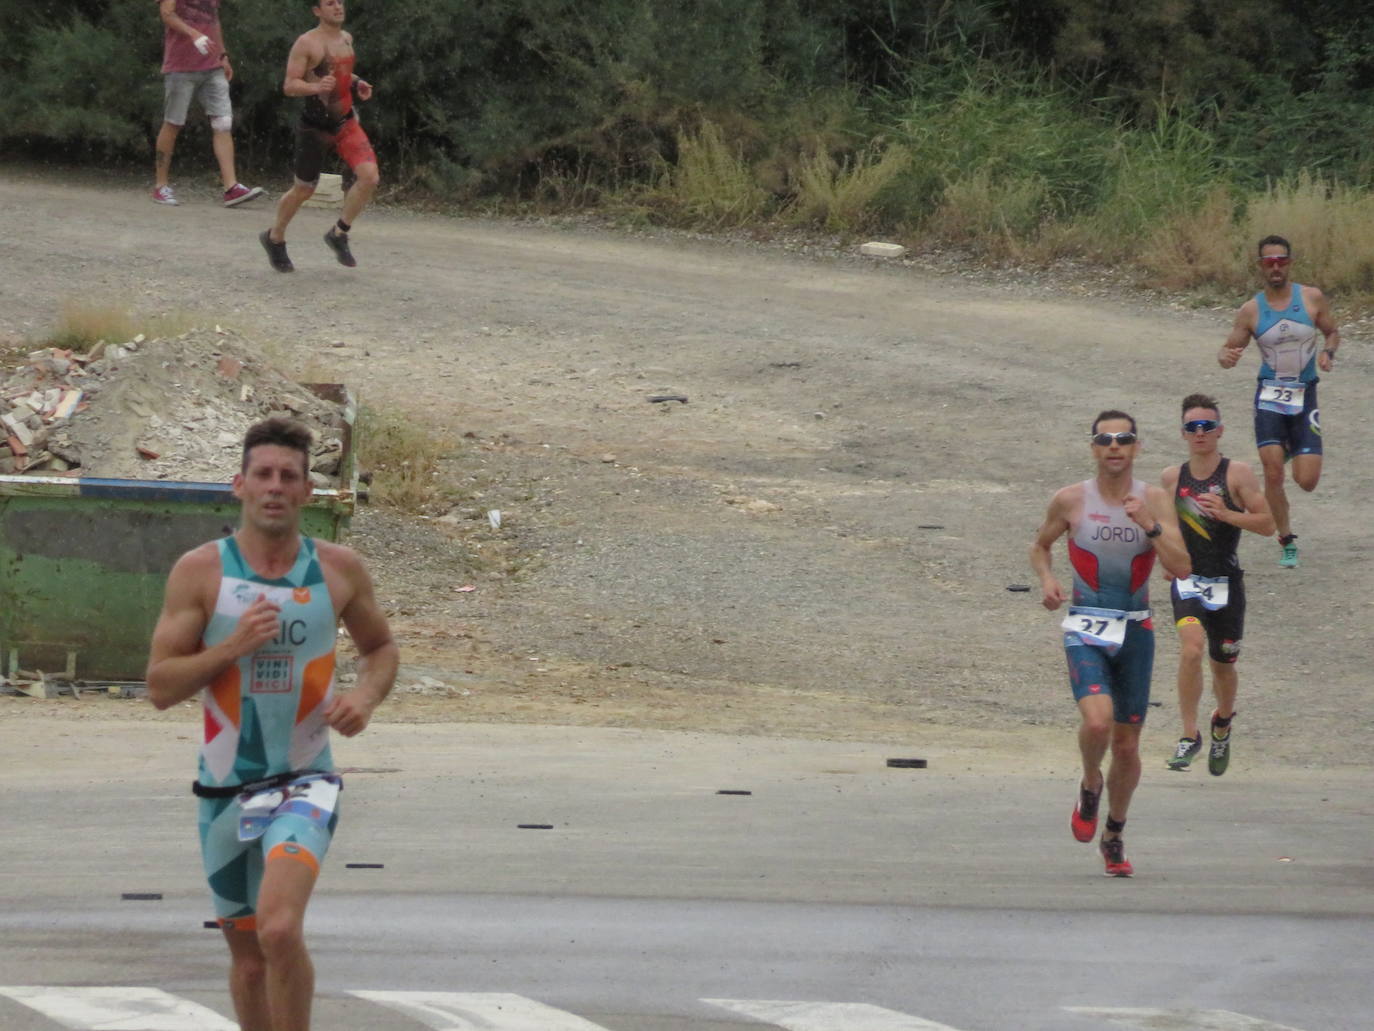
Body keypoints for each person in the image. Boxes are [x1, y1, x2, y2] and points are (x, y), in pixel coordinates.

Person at [146, 417, 398, 1031]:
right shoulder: (200, 572)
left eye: (290, 476)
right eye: (263, 474)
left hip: (305, 780)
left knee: (280, 929)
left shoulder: (339, 570)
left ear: (308, 492)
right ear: (239, 485)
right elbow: (160, 686)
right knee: (250, 958)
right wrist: (231, 648)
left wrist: (364, 698)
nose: (276, 487)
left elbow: (381, 648)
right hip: (224, 788)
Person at [1030, 411, 1190, 877]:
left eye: (1124, 439)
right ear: (1094, 447)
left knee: (1126, 745)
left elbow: (1182, 567)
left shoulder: (1155, 500)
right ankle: (1089, 782)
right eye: (1105, 439)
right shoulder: (1070, 499)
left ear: (1137, 447)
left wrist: (1152, 527)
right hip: (1086, 624)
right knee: (1097, 723)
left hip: (1136, 628)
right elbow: (1039, 545)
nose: (1115, 446)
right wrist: (1047, 579)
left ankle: (1114, 833)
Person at [1162, 395, 1274, 776]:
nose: (1200, 433)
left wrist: (1227, 514)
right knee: (1191, 650)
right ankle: (1189, 735)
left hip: (1227, 583)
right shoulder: (1171, 478)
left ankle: (1222, 722)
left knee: (1223, 664)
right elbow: (1166, 528)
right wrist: (1167, 558)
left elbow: (1267, 523)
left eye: (1207, 426)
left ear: (1220, 431)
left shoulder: (1236, 474)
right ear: (1182, 433)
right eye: (1192, 427)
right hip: (1188, 581)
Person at [1218, 234, 1341, 568]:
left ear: (1289, 263)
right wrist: (1226, 357)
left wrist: (1328, 352)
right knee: (1272, 472)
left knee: (1307, 481)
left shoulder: (1311, 298)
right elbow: (1229, 350)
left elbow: (1332, 330)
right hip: (1270, 395)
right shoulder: (1250, 311)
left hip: (1305, 394)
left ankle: (1288, 448)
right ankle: (1287, 539)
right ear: (1261, 266)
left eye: (1281, 261)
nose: (1275, 267)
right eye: (1269, 262)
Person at [260, 0, 379, 273]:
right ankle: (274, 237)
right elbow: (289, 86)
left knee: (370, 176)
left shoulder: (346, 38)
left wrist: (357, 83)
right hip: (314, 127)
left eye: (340, 2)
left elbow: (342, 74)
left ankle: (338, 233)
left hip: (345, 123)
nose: (338, 7)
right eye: (329, 3)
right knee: (304, 189)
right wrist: (314, 87)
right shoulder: (306, 43)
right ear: (317, 11)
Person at [154, 0, 264, 207]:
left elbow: (214, 20)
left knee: (223, 123)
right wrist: (193, 33)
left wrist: (223, 55)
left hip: (212, 67)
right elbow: (167, 13)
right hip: (180, 66)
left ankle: (231, 187)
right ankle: (161, 186)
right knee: (173, 123)